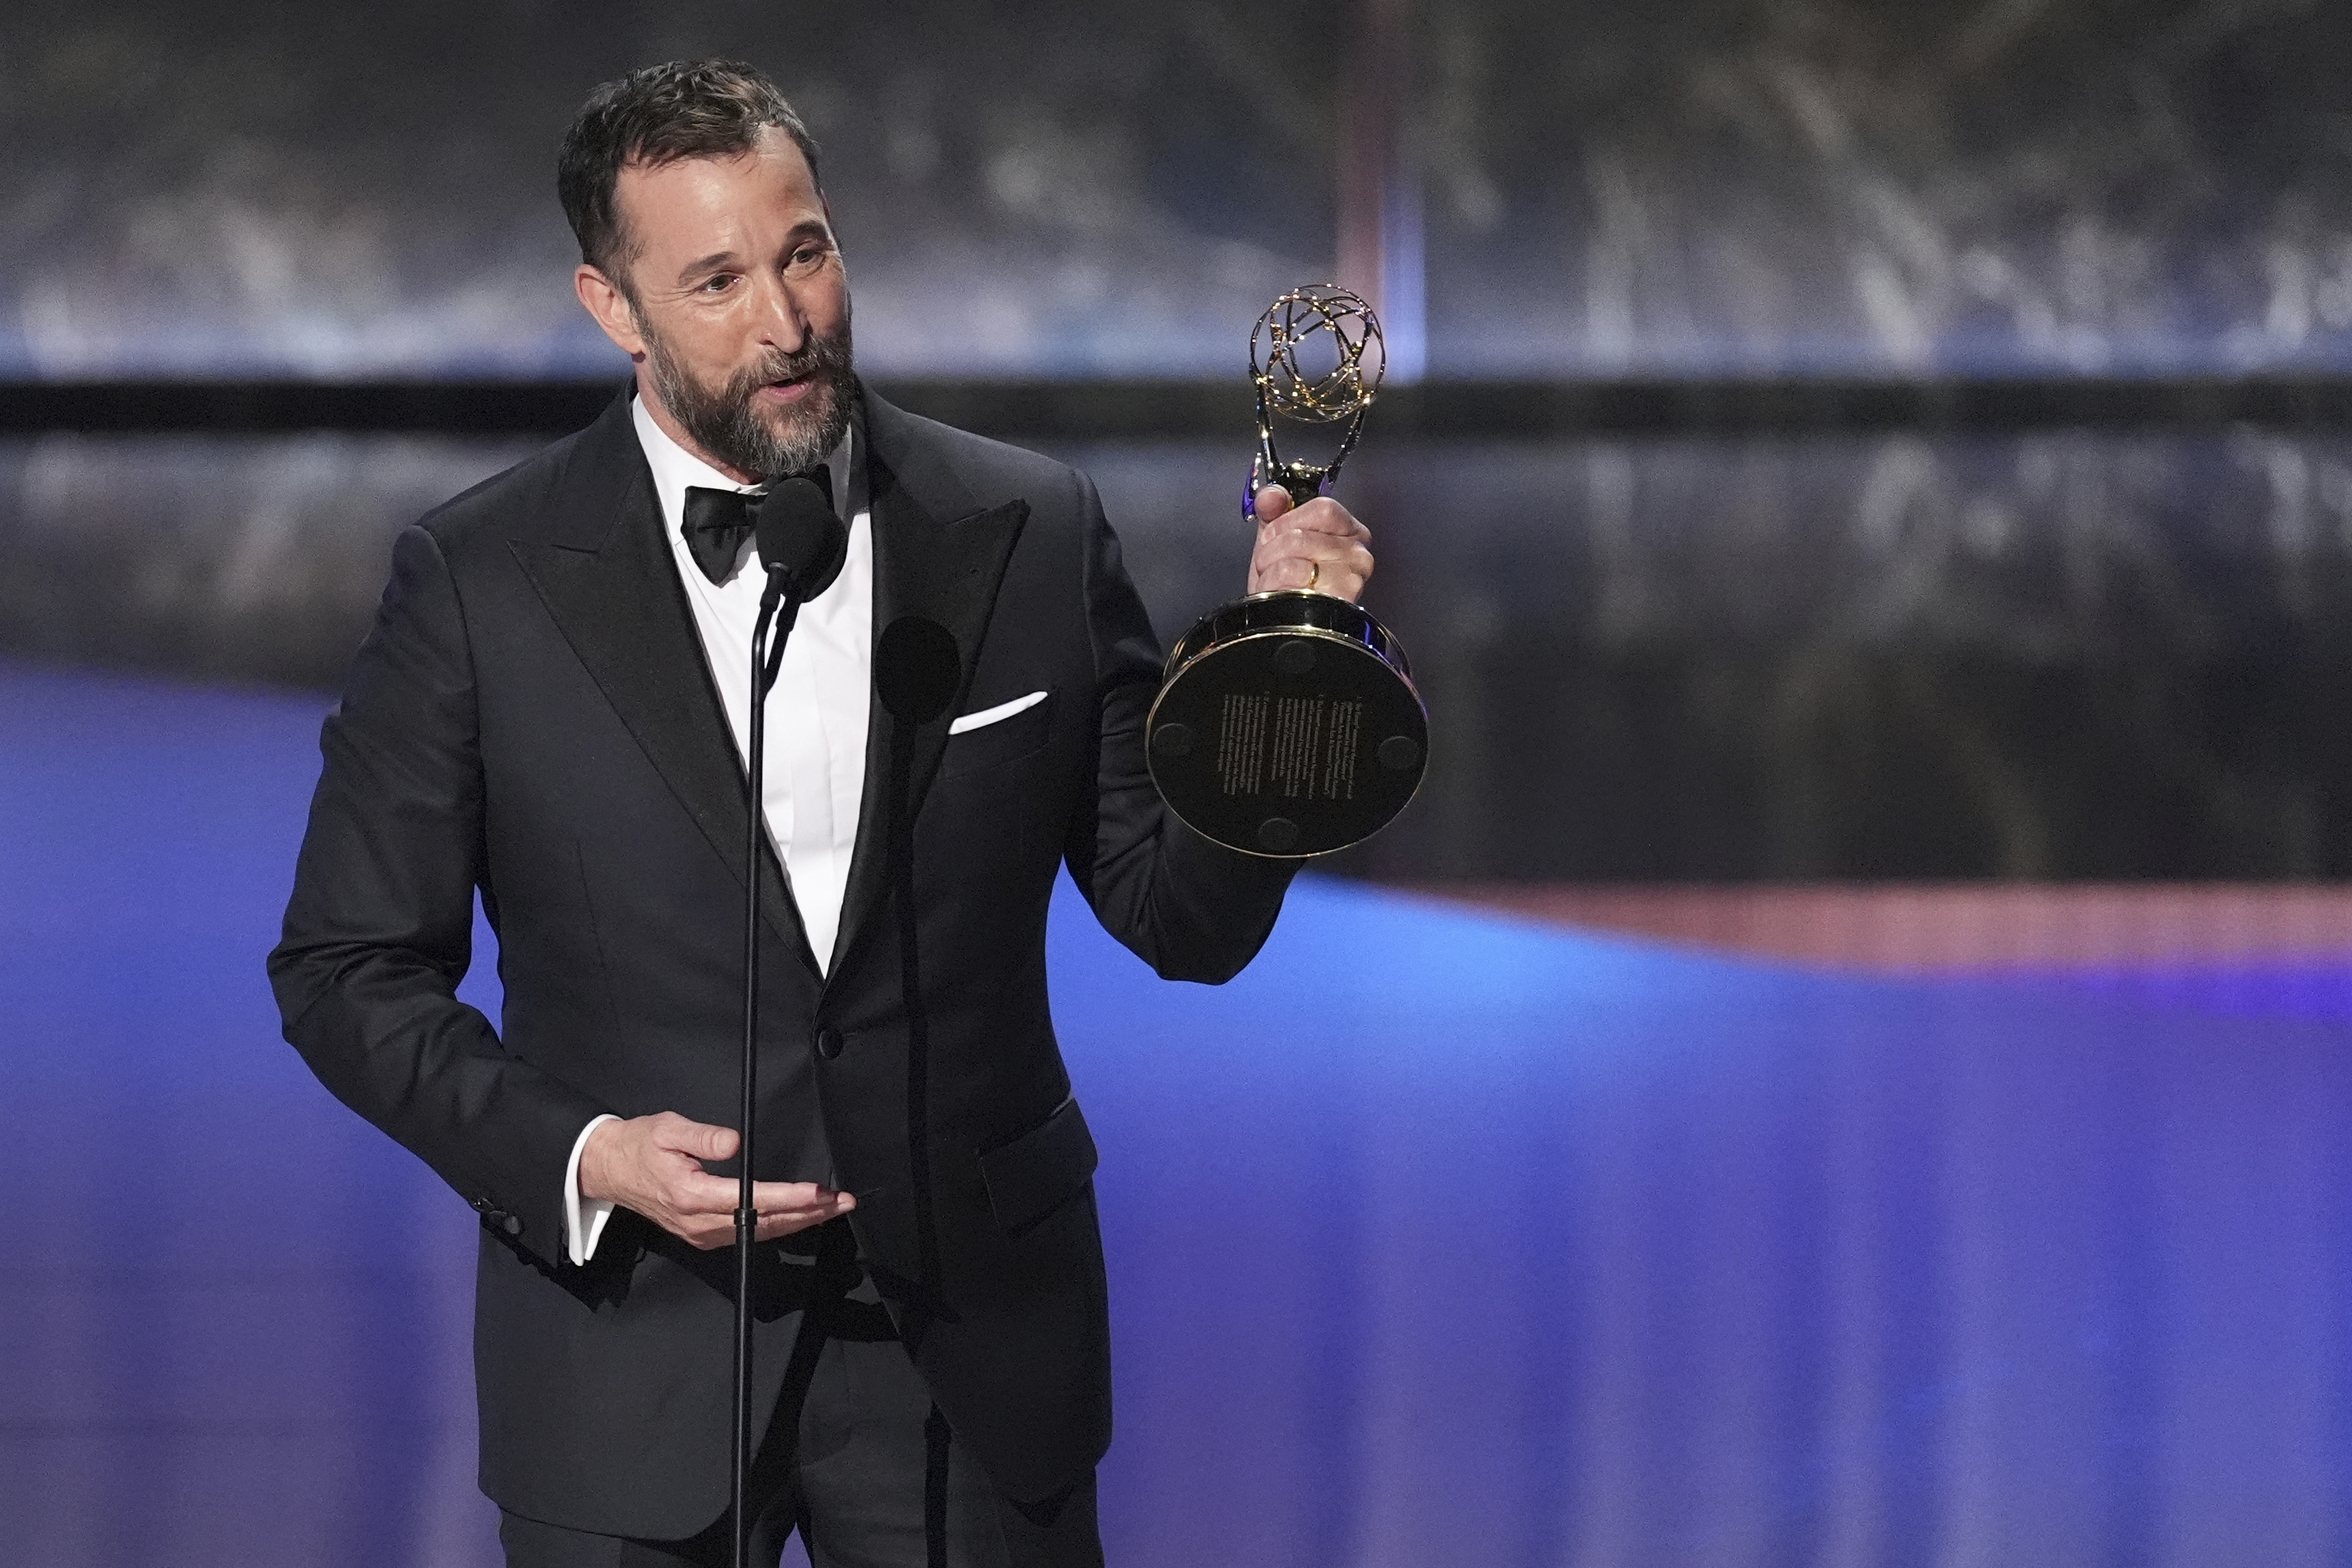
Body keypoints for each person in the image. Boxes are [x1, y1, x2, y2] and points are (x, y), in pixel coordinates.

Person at [269, 58, 1374, 1568]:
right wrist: (587, 1154)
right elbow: (345, 971)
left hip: (971, 1357)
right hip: (630, 1353)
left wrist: (1280, 681)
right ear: (613, 308)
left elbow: (1182, 921)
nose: (787, 322)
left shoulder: (1030, 531)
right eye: (717, 280)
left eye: (806, 254)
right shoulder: (482, 581)